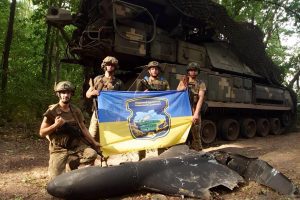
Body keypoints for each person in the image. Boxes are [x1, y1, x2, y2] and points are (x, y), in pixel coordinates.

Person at [39, 81, 100, 180]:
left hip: (75, 146)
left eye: (68, 93)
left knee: (92, 154)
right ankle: (66, 164)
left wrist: (93, 142)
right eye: (63, 93)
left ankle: (71, 163)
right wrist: (55, 125)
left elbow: (83, 128)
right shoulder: (52, 111)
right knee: (55, 180)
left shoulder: (76, 110)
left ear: (71, 94)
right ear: (58, 94)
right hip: (59, 148)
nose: (65, 95)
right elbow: (42, 132)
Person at [136, 61, 170, 160]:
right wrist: (143, 94)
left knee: (161, 135)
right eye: (152, 69)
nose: (154, 71)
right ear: (149, 71)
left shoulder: (164, 82)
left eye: (156, 69)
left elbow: (169, 97)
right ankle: (142, 158)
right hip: (146, 114)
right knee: (143, 136)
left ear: (159, 70)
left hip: (159, 113)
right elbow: (135, 97)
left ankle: (162, 157)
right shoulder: (143, 82)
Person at [86, 56, 124, 141]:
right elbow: (87, 94)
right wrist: (93, 92)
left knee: (109, 137)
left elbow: (122, 99)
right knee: (92, 136)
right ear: (104, 66)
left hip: (112, 113)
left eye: (112, 65)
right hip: (98, 112)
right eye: (108, 64)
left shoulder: (118, 82)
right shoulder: (98, 79)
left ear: (115, 67)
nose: (110, 66)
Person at [177, 62, 206, 151]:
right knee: (182, 133)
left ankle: (198, 151)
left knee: (196, 134)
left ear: (198, 72)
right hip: (184, 110)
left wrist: (196, 114)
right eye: (191, 70)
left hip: (194, 109)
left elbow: (201, 98)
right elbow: (177, 93)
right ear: (188, 71)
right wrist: (183, 88)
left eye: (195, 70)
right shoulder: (184, 81)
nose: (193, 72)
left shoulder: (200, 83)